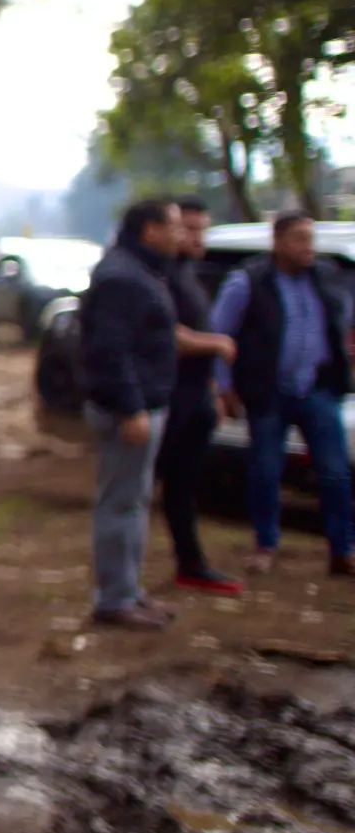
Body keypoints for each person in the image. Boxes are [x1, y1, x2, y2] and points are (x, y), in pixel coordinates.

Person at [211, 210, 352, 578]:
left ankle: (342, 549)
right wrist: (224, 387)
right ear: (278, 242)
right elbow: (221, 335)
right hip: (268, 391)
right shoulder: (248, 282)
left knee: (335, 471)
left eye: (311, 239)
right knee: (266, 470)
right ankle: (265, 544)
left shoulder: (325, 276)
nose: (308, 247)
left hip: (317, 388)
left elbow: (343, 322)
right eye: (299, 239)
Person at [78, 198, 186, 629]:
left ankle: (128, 590)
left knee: (134, 502)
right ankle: (114, 599)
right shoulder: (123, 277)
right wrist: (132, 408)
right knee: (120, 504)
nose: (181, 235)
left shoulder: (140, 271)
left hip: (144, 404)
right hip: (129, 409)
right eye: (174, 226)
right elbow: (111, 350)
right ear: (150, 230)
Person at [156, 197, 240, 595]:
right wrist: (217, 344)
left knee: (184, 487)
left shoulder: (189, 275)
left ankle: (190, 563)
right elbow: (169, 335)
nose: (195, 238)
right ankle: (119, 581)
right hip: (167, 398)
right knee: (144, 487)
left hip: (194, 397)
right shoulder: (160, 277)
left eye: (201, 229)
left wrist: (213, 387)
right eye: (188, 229)